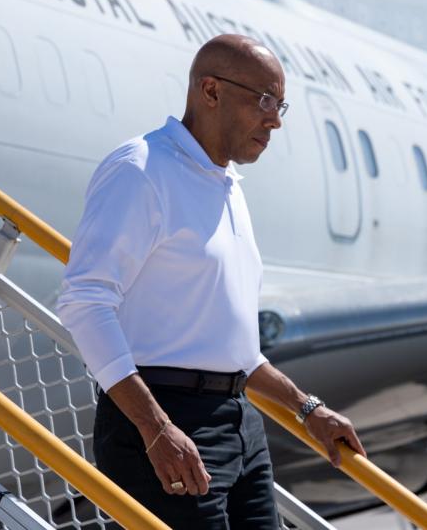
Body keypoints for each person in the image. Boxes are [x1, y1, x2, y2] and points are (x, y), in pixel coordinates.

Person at [57, 34, 365, 528]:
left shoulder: (227, 187)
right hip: (164, 418)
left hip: (239, 421)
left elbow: (233, 348)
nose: (276, 119)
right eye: (265, 100)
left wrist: (308, 410)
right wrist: (157, 429)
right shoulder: (141, 169)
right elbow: (84, 300)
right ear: (211, 91)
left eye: (280, 104)